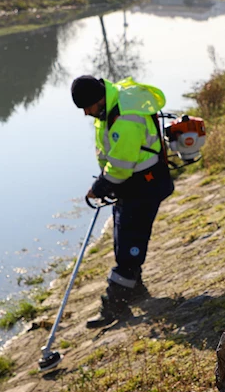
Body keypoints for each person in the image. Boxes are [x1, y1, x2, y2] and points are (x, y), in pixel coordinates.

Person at [71, 75, 174, 329]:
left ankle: (115, 306)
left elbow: (122, 164)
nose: (86, 113)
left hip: (144, 184)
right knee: (123, 238)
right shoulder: (110, 105)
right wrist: (107, 182)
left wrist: (101, 185)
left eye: (87, 107)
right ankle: (135, 290)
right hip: (132, 184)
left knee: (129, 247)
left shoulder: (126, 116)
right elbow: (115, 158)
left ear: (98, 99)